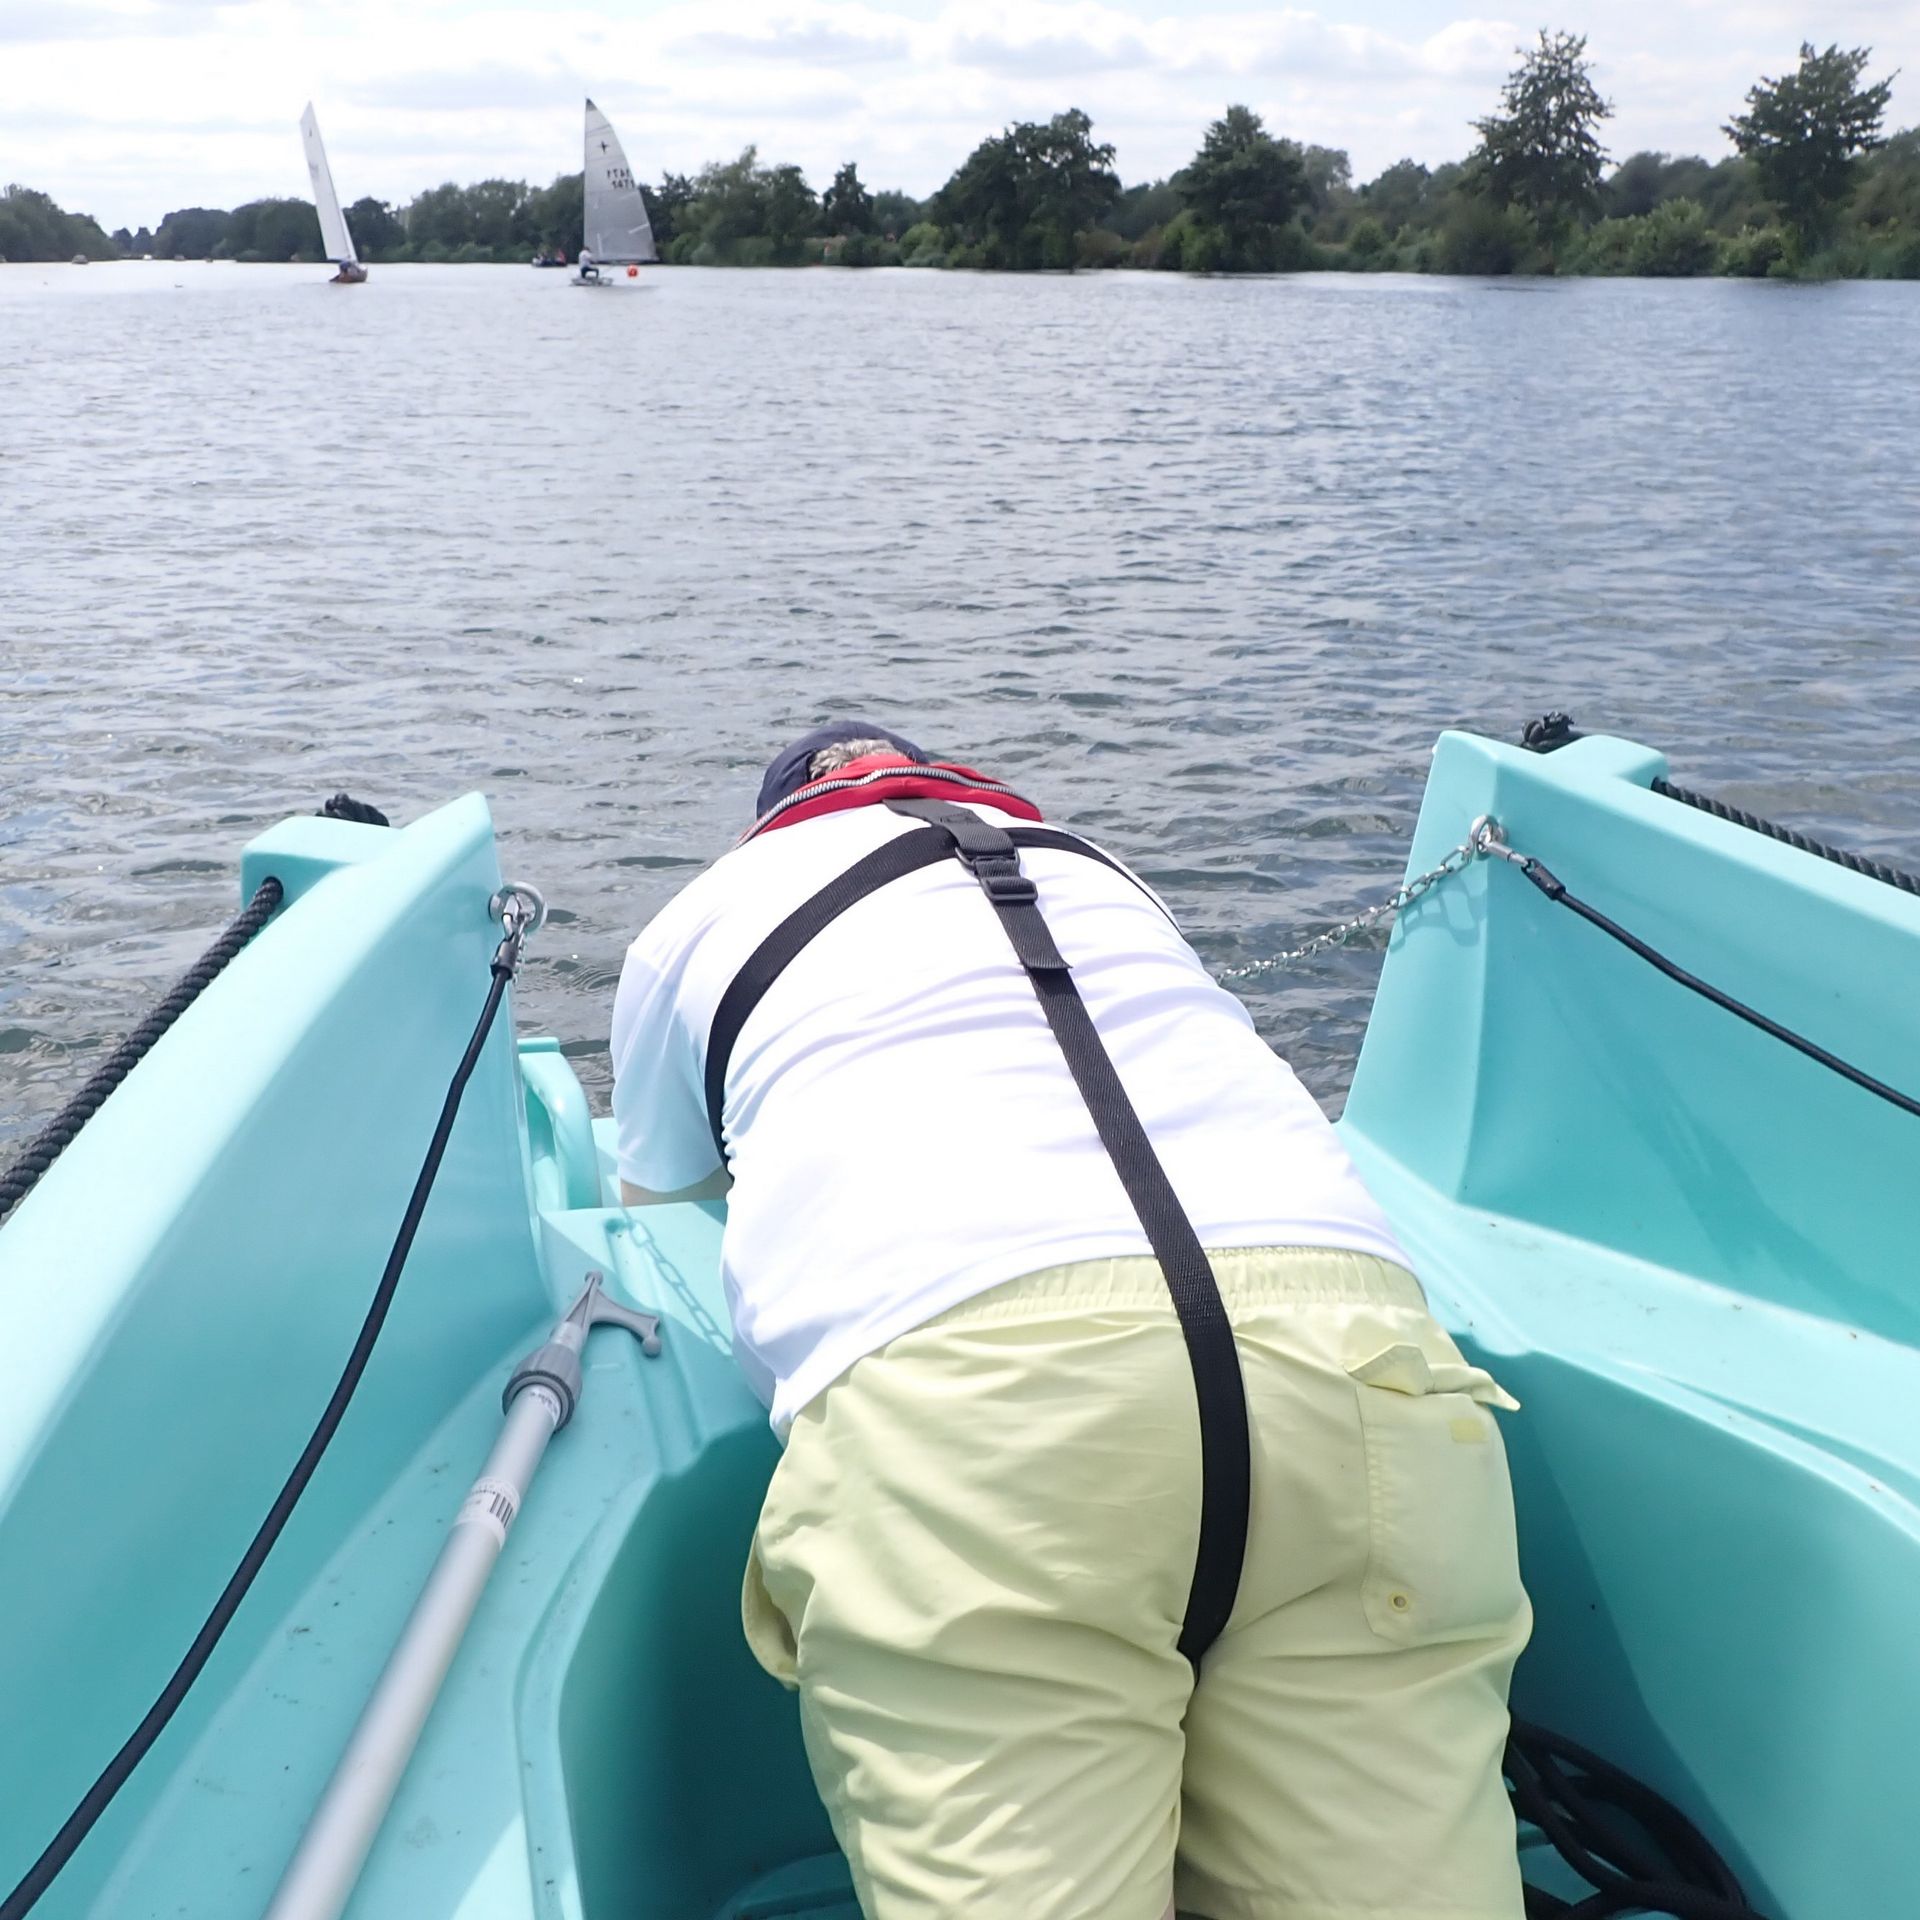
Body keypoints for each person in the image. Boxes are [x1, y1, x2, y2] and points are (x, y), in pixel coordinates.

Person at [610, 722, 1531, 1920]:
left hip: (978, 1415)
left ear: (771, 821)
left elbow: (666, 1196)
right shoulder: (1097, 866)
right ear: (969, 786)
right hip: (1361, 1360)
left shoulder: (700, 915)